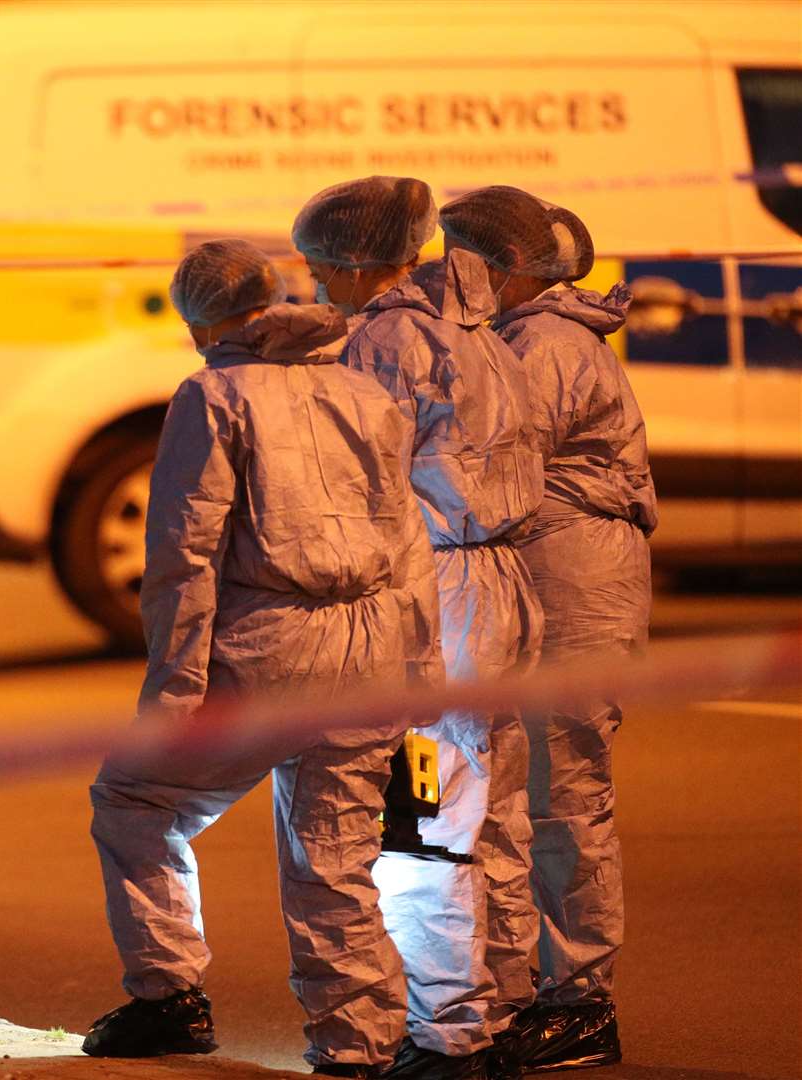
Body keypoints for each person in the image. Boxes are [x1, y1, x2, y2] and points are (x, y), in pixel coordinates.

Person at [84, 239, 444, 1076]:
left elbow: (185, 558)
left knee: (135, 800)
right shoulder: (363, 389)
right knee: (334, 856)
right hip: (371, 653)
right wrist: (420, 669)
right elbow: (406, 537)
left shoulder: (212, 397)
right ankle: (360, 1045)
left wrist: (173, 698)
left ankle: (167, 994)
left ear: (206, 320)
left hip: (267, 658)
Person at [294, 176, 546, 1079]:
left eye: (321, 269)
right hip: (503, 579)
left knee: (425, 815)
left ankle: (448, 1033)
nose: (318, 286)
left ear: (357, 262)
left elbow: (358, 476)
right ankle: (506, 1003)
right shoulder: (469, 333)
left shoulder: (383, 344)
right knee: (496, 806)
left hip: (439, 593)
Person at [439, 186, 655, 1073]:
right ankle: (532, 991)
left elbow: (490, 462)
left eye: (457, 257)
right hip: (549, 575)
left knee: (566, 796)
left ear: (498, 265)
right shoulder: (524, 339)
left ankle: (582, 1002)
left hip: (576, 586)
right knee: (522, 795)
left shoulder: (548, 346)